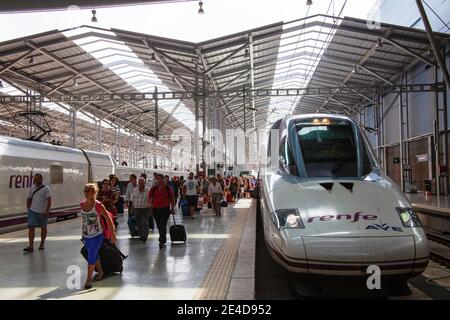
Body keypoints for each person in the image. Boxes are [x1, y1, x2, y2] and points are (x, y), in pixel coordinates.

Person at [80, 183, 117, 289]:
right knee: (94, 254)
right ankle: (100, 272)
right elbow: (84, 221)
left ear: (94, 192)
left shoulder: (98, 205)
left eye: (89, 190)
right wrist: (82, 233)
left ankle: (88, 280)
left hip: (97, 235)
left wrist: (113, 234)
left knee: (91, 255)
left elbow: (108, 219)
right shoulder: (82, 204)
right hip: (86, 235)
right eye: (85, 190)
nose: (87, 193)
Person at [23, 173, 52, 252]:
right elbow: (29, 198)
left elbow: (49, 200)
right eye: (34, 179)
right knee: (31, 227)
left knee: (43, 227)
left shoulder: (46, 188)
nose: (35, 180)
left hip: (42, 212)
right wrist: (29, 209)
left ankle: (42, 244)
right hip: (32, 211)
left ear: (41, 179)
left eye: (37, 179)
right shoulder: (32, 188)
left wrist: (47, 210)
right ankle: (31, 246)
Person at [149, 174, 175, 249]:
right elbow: (150, 197)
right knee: (159, 225)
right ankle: (162, 238)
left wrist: (172, 208)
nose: (158, 180)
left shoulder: (167, 188)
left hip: (165, 209)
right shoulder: (154, 188)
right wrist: (150, 205)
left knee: (163, 224)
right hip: (156, 209)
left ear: (163, 179)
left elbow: (172, 198)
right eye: (157, 179)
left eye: (160, 178)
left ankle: (162, 240)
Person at [130, 177, 151, 243]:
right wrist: (131, 209)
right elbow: (133, 200)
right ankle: (141, 235)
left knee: (144, 222)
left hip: (146, 209)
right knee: (138, 223)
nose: (141, 184)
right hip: (137, 208)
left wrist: (151, 209)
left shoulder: (148, 190)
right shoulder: (134, 190)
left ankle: (145, 236)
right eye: (139, 182)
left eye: (142, 182)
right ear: (138, 183)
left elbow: (151, 200)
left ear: (144, 183)